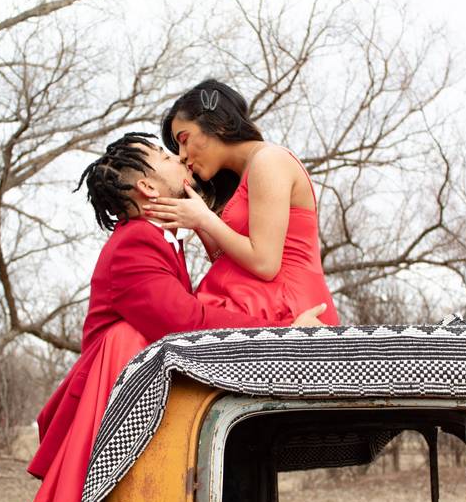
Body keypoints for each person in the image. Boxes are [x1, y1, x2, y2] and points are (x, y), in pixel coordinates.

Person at [20, 132, 326, 502]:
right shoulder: (135, 244)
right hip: (105, 406)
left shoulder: (159, 241)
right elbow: (189, 321)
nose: (178, 157)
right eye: (164, 154)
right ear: (147, 188)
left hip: (128, 402)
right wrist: (280, 333)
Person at [145, 79, 339, 325]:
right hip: (264, 304)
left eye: (184, 139)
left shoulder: (269, 161)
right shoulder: (246, 174)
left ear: (216, 123)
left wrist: (204, 218)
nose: (182, 156)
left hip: (290, 309)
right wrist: (198, 221)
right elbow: (234, 258)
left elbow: (265, 263)